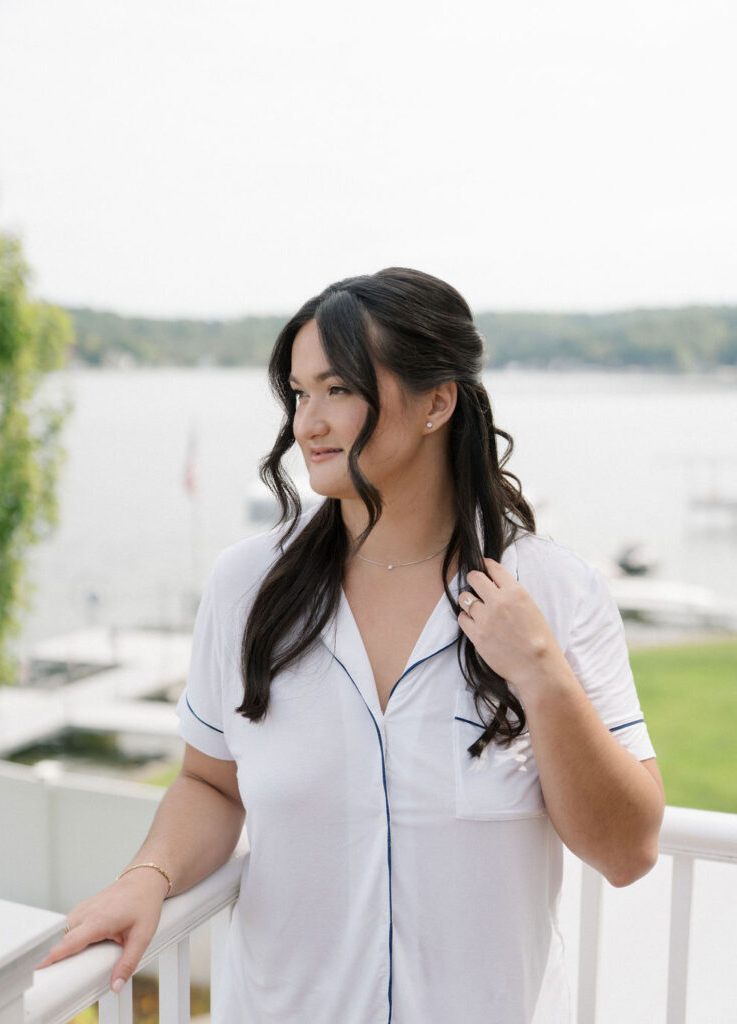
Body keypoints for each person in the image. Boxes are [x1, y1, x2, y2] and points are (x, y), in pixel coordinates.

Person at [40, 267, 665, 1022]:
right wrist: (149, 875)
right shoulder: (246, 588)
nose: (308, 423)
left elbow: (628, 852)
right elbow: (210, 782)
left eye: (337, 389)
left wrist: (542, 674)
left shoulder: (555, 593)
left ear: (437, 402)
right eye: (299, 394)